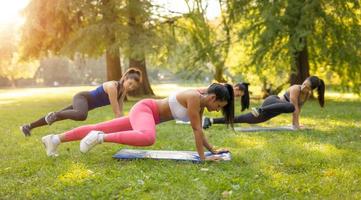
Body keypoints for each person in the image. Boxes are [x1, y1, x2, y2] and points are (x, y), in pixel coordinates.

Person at [41, 83, 235, 161]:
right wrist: (203, 159)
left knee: (99, 126)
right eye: (220, 105)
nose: (218, 109)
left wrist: (213, 150)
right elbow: (196, 130)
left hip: (146, 115)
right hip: (146, 109)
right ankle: (99, 138)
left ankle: (54, 139)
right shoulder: (194, 98)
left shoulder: (200, 103)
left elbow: (200, 131)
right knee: (148, 136)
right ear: (212, 98)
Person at [20, 68, 142, 136]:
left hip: (84, 105)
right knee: (81, 115)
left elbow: (119, 114)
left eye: (134, 87)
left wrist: (128, 128)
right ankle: (55, 115)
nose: (131, 87)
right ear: (125, 78)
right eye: (130, 83)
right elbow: (116, 111)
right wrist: (126, 126)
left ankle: (28, 127)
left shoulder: (122, 92)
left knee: (59, 115)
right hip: (82, 98)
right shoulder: (112, 87)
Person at [203, 76, 325, 130]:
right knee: (291, 106)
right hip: (272, 101)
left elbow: (299, 109)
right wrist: (295, 125)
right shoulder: (295, 88)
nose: (304, 87)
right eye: (304, 84)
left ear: (311, 90)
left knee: (243, 119)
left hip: (271, 111)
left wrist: (298, 124)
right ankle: (260, 109)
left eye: (307, 87)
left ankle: (211, 121)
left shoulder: (306, 95)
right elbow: (295, 108)